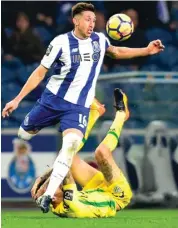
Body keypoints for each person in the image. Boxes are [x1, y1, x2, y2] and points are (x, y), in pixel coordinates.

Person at [2, 2, 165, 213]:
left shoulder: (99, 40)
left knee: (70, 145)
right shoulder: (60, 42)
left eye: (94, 20)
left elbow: (116, 51)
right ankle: (34, 136)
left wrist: (146, 50)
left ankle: (48, 196)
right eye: (88, 20)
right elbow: (40, 73)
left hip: (78, 106)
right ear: (75, 20)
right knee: (23, 135)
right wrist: (16, 99)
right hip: (52, 101)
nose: (92, 24)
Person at [31, 88, 132, 218]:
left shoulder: (56, 204)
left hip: (94, 189)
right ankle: (122, 114)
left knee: (68, 155)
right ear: (54, 197)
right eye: (52, 187)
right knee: (101, 152)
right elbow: (65, 172)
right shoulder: (70, 204)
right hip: (116, 195)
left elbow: (64, 163)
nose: (56, 183)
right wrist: (43, 182)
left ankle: (95, 113)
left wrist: (41, 181)